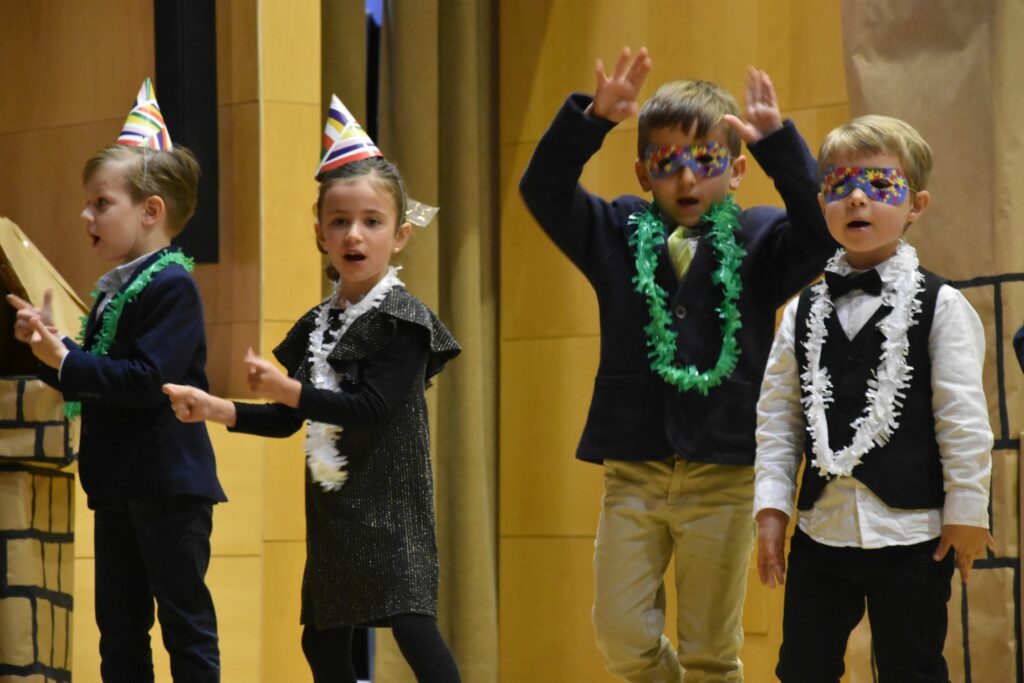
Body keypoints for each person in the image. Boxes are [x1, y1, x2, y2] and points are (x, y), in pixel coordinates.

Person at [519, 46, 835, 681]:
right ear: (642, 172)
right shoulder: (614, 229)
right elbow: (543, 191)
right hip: (632, 472)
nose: (687, 179)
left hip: (723, 475)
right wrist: (594, 119)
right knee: (621, 637)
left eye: (706, 160)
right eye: (667, 163)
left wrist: (778, 143)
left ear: (737, 169)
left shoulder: (759, 240)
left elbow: (821, 230)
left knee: (710, 652)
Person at [163, 96, 462, 683]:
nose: (355, 234)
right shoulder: (316, 324)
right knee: (322, 643)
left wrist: (289, 391)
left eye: (372, 222)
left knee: (412, 629)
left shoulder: (405, 320)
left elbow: (371, 410)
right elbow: (283, 420)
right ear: (319, 231)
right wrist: (215, 408)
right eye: (340, 221)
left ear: (399, 236)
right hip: (336, 513)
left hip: (393, 511)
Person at [754, 114, 994, 682]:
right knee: (803, 667)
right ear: (822, 203)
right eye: (840, 185)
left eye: (880, 185)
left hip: (913, 535)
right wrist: (771, 509)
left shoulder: (944, 306)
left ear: (916, 205)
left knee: (912, 667)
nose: (857, 198)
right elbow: (779, 421)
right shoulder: (799, 312)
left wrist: (966, 512)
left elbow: (962, 417)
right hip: (820, 531)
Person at [7, 78, 224, 682]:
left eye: (101, 203)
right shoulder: (120, 290)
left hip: (167, 487)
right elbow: (106, 370)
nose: (86, 215)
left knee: (185, 629)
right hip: (120, 484)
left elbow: (146, 379)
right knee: (120, 634)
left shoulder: (172, 285)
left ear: (151, 211)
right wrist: (56, 346)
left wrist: (66, 361)